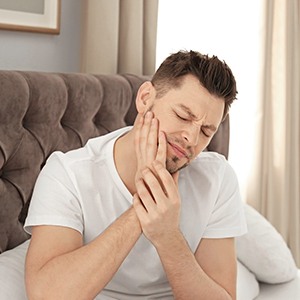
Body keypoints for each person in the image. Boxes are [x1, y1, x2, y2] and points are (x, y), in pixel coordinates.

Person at [24, 50, 247, 300]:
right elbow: (46, 295)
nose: (191, 139)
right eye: (183, 116)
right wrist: (143, 209)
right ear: (145, 98)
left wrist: (168, 236)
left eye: (206, 132)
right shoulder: (68, 174)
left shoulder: (218, 178)